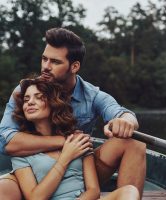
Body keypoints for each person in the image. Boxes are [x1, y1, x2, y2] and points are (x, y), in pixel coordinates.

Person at [0, 28, 146, 199]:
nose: (46, 67)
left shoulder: (92, 96)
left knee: (134, 142)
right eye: (44, 59)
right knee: (3, 187)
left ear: (74, 66)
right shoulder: (27, 91)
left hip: (77, 170)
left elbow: (121, 113)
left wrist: (125, 121)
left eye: (55, 62)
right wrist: (67, 142)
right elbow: (4, 141)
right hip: (34, 171)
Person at [10, 77, 140, 200]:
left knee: (129, 191)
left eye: (39, 97)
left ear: (53, 103)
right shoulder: (21, 152)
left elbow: (93, 191)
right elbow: (35, 198)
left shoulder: (77, 139)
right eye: (26, 100)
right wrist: (65, 158)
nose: (30, 102)